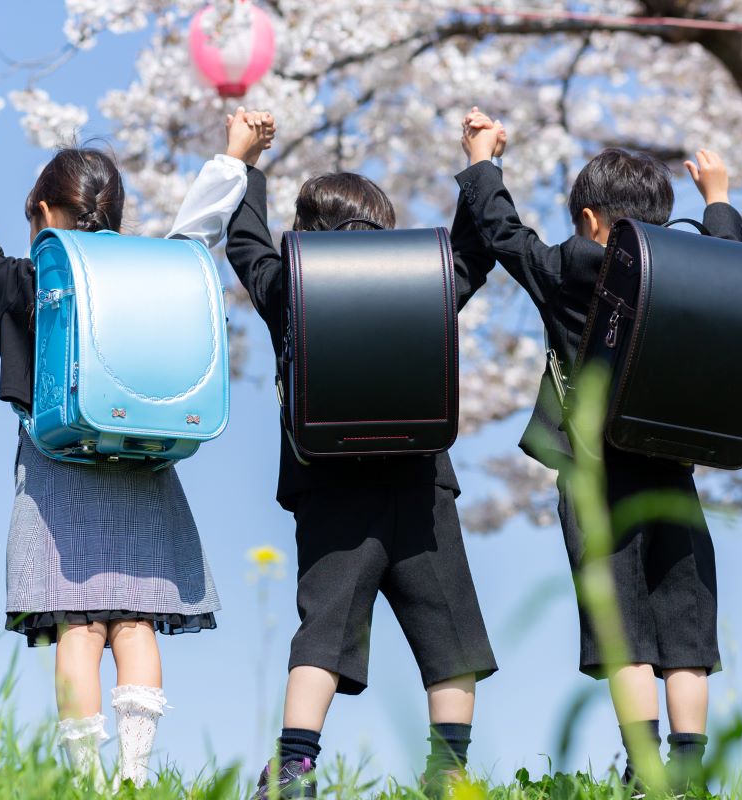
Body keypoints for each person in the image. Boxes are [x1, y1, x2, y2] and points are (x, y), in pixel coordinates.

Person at [0, 107, 274, 788]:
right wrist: (233, 155)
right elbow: (198, 232)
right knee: (135, 624)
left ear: (42, 210)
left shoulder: (24, 280)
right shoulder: (150, 271)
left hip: (55, 473)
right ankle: (137, 774)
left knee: (77, 628)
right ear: (116, 212)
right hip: (143, 465)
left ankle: (85, 780)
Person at [455, 106, 742, 797]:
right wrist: (719, 199)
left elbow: (502, 233)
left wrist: (482, 162)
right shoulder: (688, 274)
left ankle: (644, 772)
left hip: (592, 478)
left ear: (590, 219)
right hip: (672, 469)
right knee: (685, 628)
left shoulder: (567, 267)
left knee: (624, 628)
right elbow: (731, 258)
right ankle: (688, 770)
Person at [225, 110, 506, 799]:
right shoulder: (425, 278)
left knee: (321, 630)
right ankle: (450, 773)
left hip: (329, 488)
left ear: (307, 232)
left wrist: (245, 165)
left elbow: (244, 243)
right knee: (451, 640)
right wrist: (480, 167)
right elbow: (476, 253)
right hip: (420, 488)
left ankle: (294, 767)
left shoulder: (290, 285)